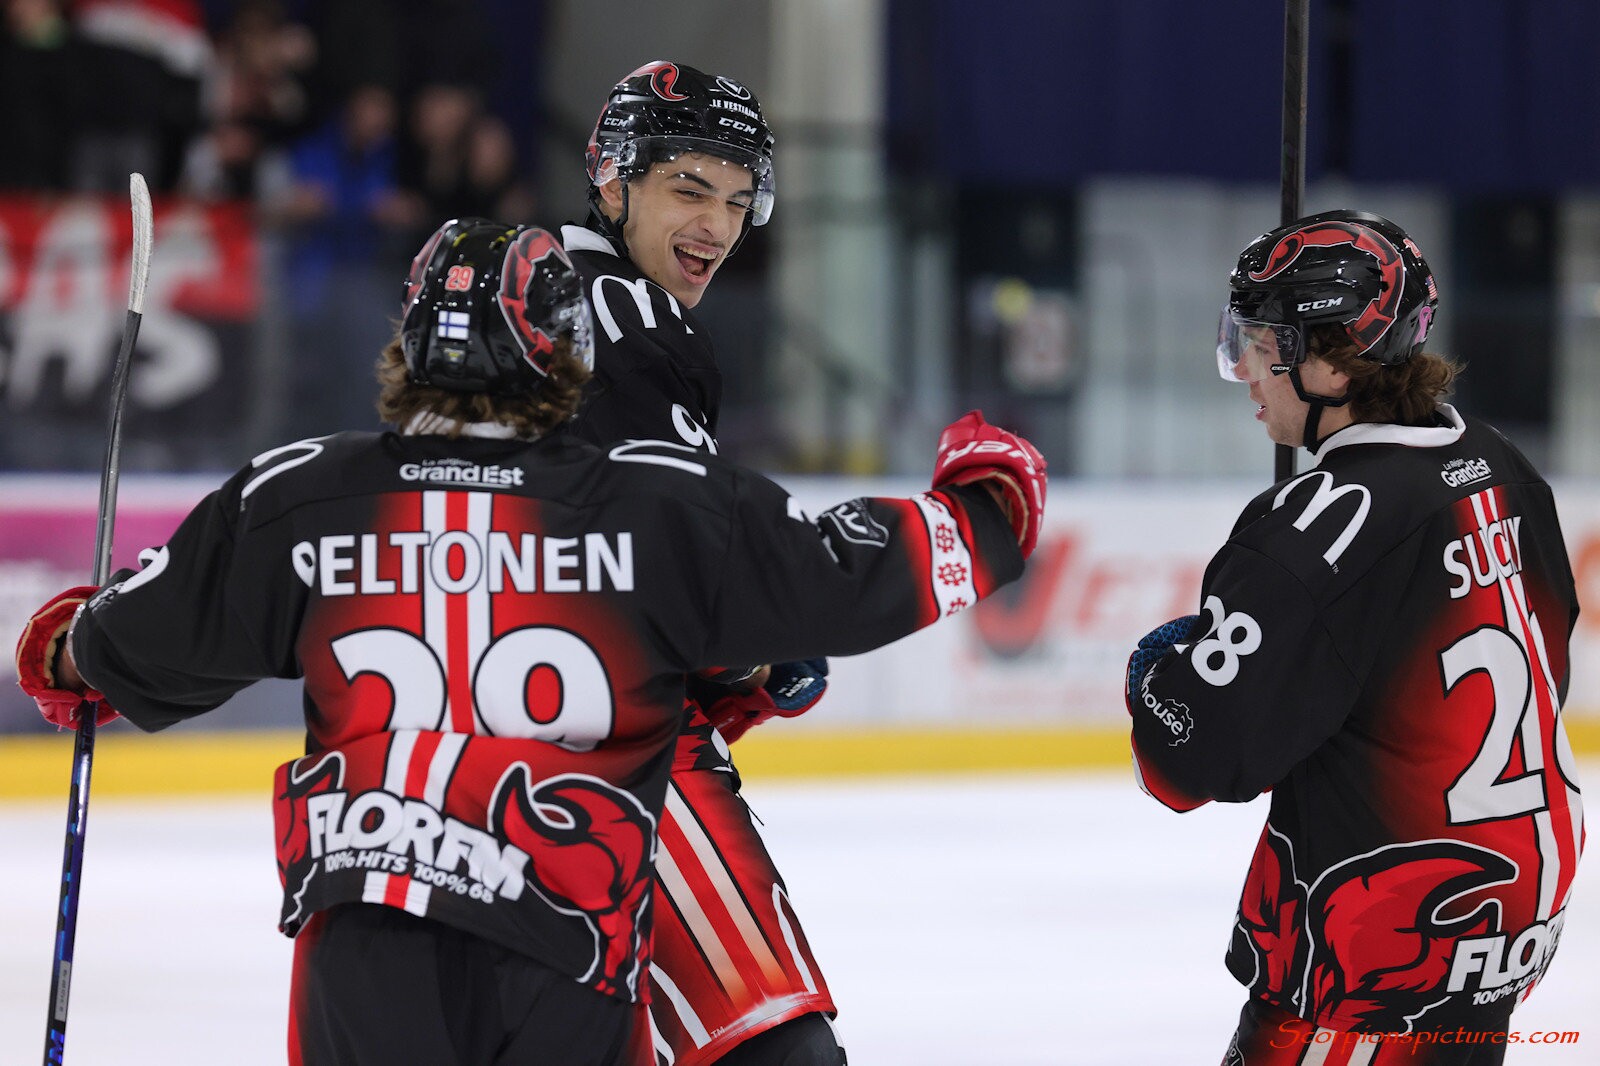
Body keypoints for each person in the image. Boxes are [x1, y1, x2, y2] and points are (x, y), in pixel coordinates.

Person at [15, 217, 1048, 1065]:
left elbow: (109, 653)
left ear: (409, 342)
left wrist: (72, 647)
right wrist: (987, 502)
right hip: (565, 950)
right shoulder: (655, 504)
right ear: (565, 351)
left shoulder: (301, 496)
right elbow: (857, 576)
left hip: (367, 943)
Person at [1123, 210, 1582, 1064]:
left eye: (1264, 344)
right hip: (1501, 938)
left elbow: (1189, 764)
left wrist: (1155, 672)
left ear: (1332, 363)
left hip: (1372, 967)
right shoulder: (1506, 469)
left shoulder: (1309, 533)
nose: (1245, 368)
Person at [556, 61, 838, 1065]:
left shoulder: (530, 290)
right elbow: (670, 567)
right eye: (688, 188)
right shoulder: (630, 322)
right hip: (611, 755)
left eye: (735, 198)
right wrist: (756, 648)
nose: (716, 225)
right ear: (612, 178)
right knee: (777, 1053)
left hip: (459, 761)